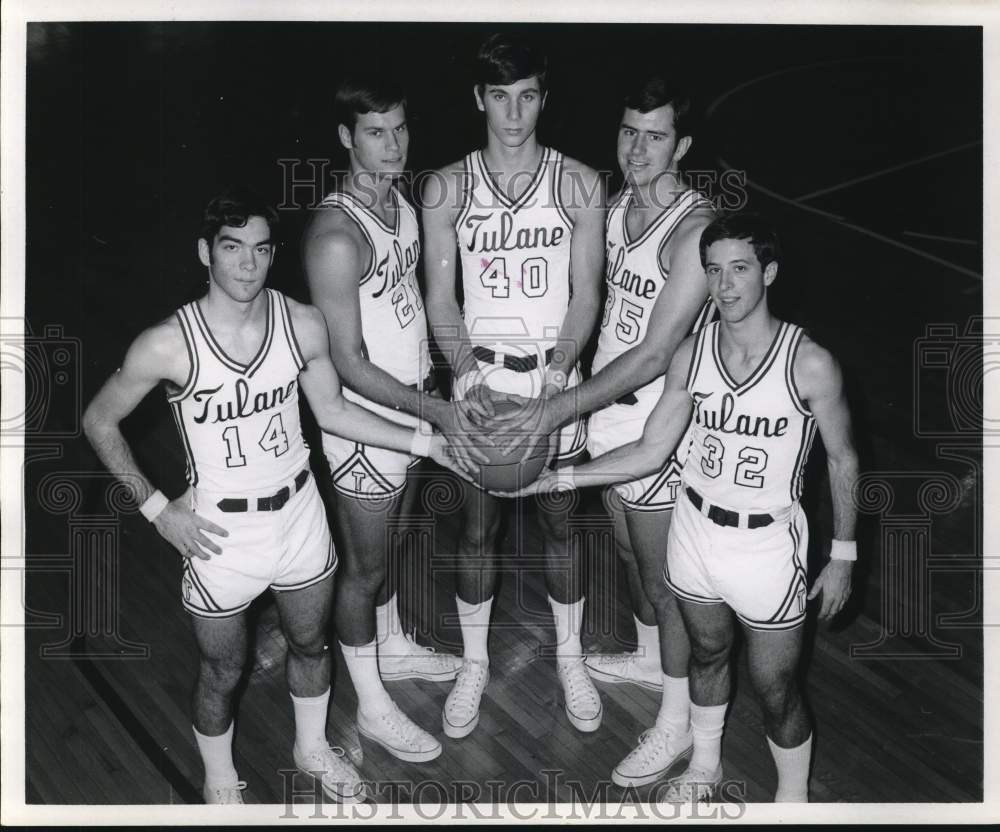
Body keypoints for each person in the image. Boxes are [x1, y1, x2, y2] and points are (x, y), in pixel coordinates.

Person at [82, 190, 463, 803]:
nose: (248, 265)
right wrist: (157, 510)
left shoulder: (302, 322)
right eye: (232, 249)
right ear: (206, 252)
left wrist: (428, 443)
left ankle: (312, 750)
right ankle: (220, 781)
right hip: (220, 536)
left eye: (261, 250)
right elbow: (100, 420)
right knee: (223, 670)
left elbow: (334, 412)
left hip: (300, 517)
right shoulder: (166, 343)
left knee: (311, 644)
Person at [522, 213, 859, 801]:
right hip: (693, 529)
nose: (724, 285)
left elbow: (843, 461)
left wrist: (843, 556)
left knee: (776, 687)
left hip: (766, 546)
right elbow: (652, 448)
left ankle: (793, 801)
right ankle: (704, 766)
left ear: (769, 273)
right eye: (712, 271)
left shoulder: (809, 363)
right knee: (705, 652)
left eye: (739, 269)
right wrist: (561, 475)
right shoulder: (691, 353)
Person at [422, 33, 606, 738]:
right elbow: (440, 297)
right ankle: (473, 661)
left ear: (544, 99)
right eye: (499, 96)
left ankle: (569, 656)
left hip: (554, 379)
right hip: (482, 378)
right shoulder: (445, 185)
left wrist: (559, 381)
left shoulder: (582, 182)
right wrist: (465, 375)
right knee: (477, 529)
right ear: (478, 98)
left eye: (527, 96)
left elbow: (587, 293)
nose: (513, 113)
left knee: (562, 522)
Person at [302, 75, 484, 763]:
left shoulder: (400, 203)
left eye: (401, 128)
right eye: (376, 132)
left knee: (396, 540)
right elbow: (347, 361)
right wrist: (432, 410)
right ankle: (373, 707)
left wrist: (440, 383)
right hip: (364, 420)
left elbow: (404, 308)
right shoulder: (334, 236)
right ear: (346, 138)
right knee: (364, 567)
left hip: (409, 404)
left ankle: (395, 647)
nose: (394, 144)